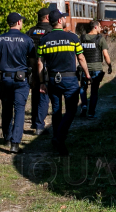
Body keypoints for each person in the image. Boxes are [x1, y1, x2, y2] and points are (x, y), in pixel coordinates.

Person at [36, 9, 91, 155]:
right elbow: (81, 58)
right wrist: (87, 74)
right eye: (63, 18)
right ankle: (59, 138)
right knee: (72, 109)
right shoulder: (72, 38)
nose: (65, 19)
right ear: (59, 21)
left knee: (56, 109)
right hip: (69, 79)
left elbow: (40, 63)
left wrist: (42, 81)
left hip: (53, 79)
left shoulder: (44, 40)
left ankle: (56, 137)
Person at [0, 12, 36, 154]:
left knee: (6, 108)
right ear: (19, 22)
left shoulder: (0, 39)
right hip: (21, 79)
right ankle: (15, 143)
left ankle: (7, 138)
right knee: (19, 109)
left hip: (5, 79)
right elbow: (32, 60)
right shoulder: (27, 40)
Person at [26, 7, 52, 135]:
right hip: (44, 66)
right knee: (43, 94)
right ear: (47, 17)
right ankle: (40, 126)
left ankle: (34, 121)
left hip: (31, 67)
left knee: (35, 94)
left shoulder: (30, 31)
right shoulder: (50, 31)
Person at [79, 21, 112, 118]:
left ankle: (84, 105)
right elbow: (105, 55)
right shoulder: (100, 39)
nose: (101, 29)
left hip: (84, 68)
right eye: (100, 27)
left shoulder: (82, 38)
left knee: (83, 88)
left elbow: (78, 54)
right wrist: (109, 65)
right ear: (95, 27)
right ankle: (91, 112)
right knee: (94, 91)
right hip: (96, 69)